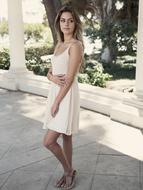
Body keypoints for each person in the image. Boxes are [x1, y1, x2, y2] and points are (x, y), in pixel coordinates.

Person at [43, 4, 84, 190]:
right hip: (56, 93)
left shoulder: (76, 46)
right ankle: (70, 170)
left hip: (65, 96)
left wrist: (57, 102)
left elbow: (69, 79)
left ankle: (68, 171)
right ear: (58, 23)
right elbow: (51, 71)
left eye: (70, 20)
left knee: (49, 141)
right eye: (63, 20)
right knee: (66, 137)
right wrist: (50, 77)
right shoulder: (59, 44)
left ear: (75, 24)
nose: (66, 24)